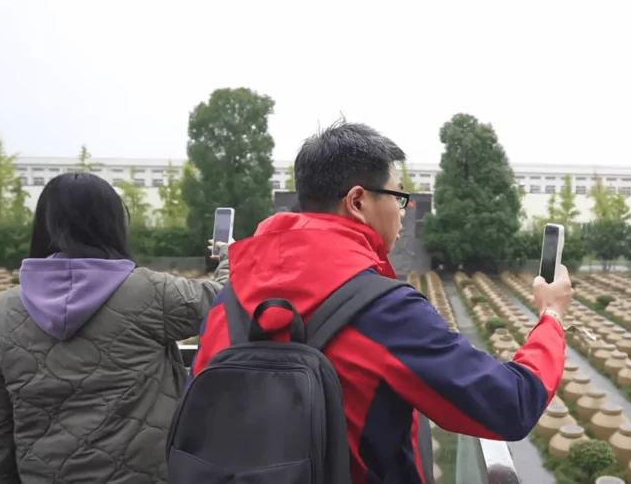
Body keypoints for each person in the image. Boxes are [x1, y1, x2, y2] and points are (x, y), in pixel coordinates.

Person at [191, 120, 571, 484]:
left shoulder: (231, 298)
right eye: (398, 197)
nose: (403, 212)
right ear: (358, 201)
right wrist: (551, 316)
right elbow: (510, 404)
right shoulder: (384, 311)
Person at [0, 172, 229, 484]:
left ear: (44, 225)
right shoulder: (149, 291)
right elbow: (225, 300)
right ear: (112, 225)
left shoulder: (5, 311)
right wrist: (230, 257)